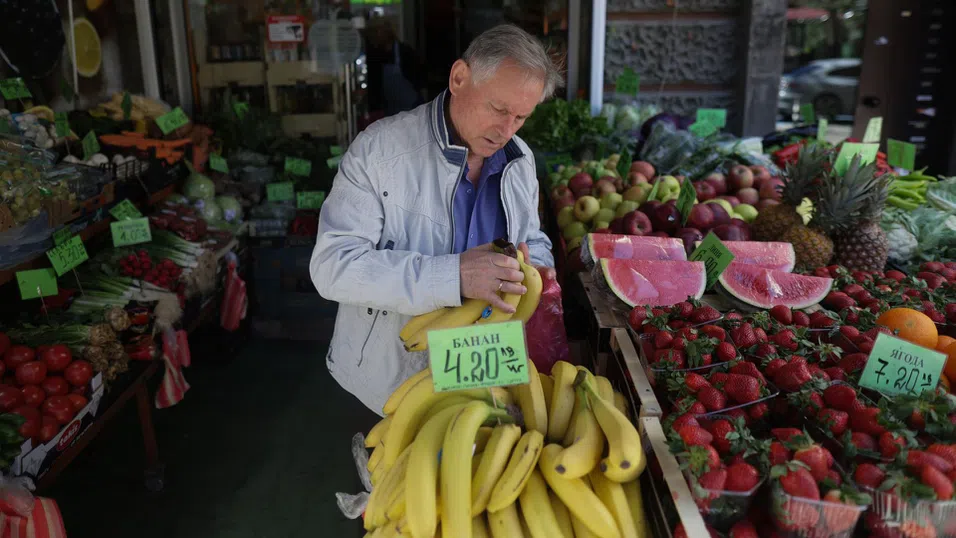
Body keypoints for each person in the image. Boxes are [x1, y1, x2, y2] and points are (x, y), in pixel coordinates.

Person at [310, 24, 562, 415]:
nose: (505, 130)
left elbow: (532, 234)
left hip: (488, 370)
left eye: (521, 117)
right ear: (459, 77)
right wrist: (453, 276)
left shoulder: (519, 159)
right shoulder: (379, 150)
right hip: (390, 382)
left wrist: (541, 268)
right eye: (498, 110)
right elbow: (332, 266)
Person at [363, 17, 427, 118]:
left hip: (411, 109)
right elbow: (374, 88)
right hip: (388, 113)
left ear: (388, 32)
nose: (376, 35)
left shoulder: (405, 52)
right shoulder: (373, 56)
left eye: (378, 31)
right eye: (373, 31)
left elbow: (421, 80)